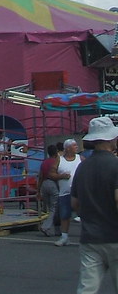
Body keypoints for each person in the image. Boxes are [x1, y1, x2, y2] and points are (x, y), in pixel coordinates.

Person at [71, 116, 118, 293]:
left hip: (90, 237)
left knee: (87, 288)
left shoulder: (82, 167)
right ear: (111, 138)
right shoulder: (116, 165)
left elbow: (75, 203)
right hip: (115, 235)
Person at [55, 137, 84, 246]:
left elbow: (88, 170)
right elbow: (51, 174)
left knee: (83, 214)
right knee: (64, 215)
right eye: (74, 145)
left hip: (79, 193)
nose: (77, 147)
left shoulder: (80, 158)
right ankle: (64, 237)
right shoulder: (59, 159)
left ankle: (87, 236)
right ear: (67, 148)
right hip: (65, 193)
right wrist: (61, 176)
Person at [37, 143, 60, 236]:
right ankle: (45, 226)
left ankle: (57, 229)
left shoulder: (44, 162)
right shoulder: (57, 162)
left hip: (44, 184)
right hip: (53, 183)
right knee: (54, 208)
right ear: (56, 153)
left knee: (48, 208)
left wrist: (38, 190)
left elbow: (40, 177)